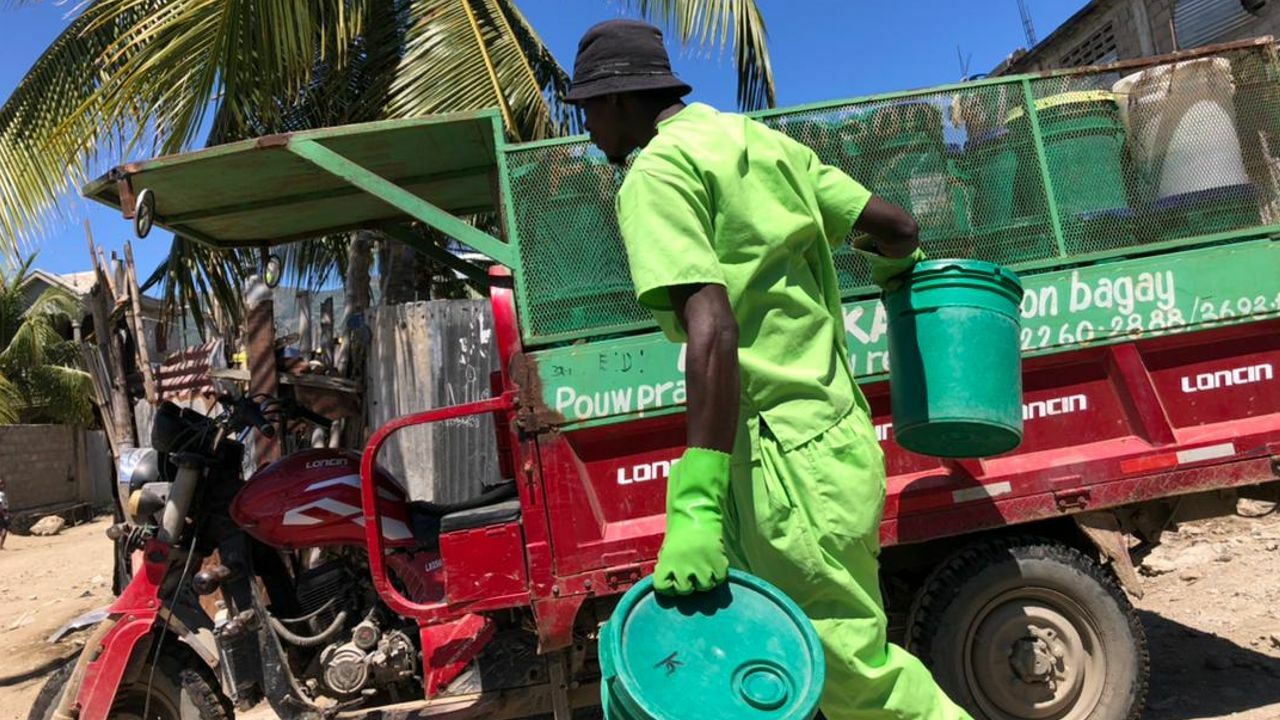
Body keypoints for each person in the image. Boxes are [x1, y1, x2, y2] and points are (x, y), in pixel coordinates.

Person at [565, 19, 972, 720]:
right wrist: (900, 274)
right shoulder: (762, 144)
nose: (589, 129)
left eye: (589, 110)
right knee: (785, 672)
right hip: (835, 443)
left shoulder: (657, 173)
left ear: (621, 98)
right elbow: (898, 227)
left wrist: (695, 503)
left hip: (781, 471)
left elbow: (713, 328)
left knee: (855, 680)